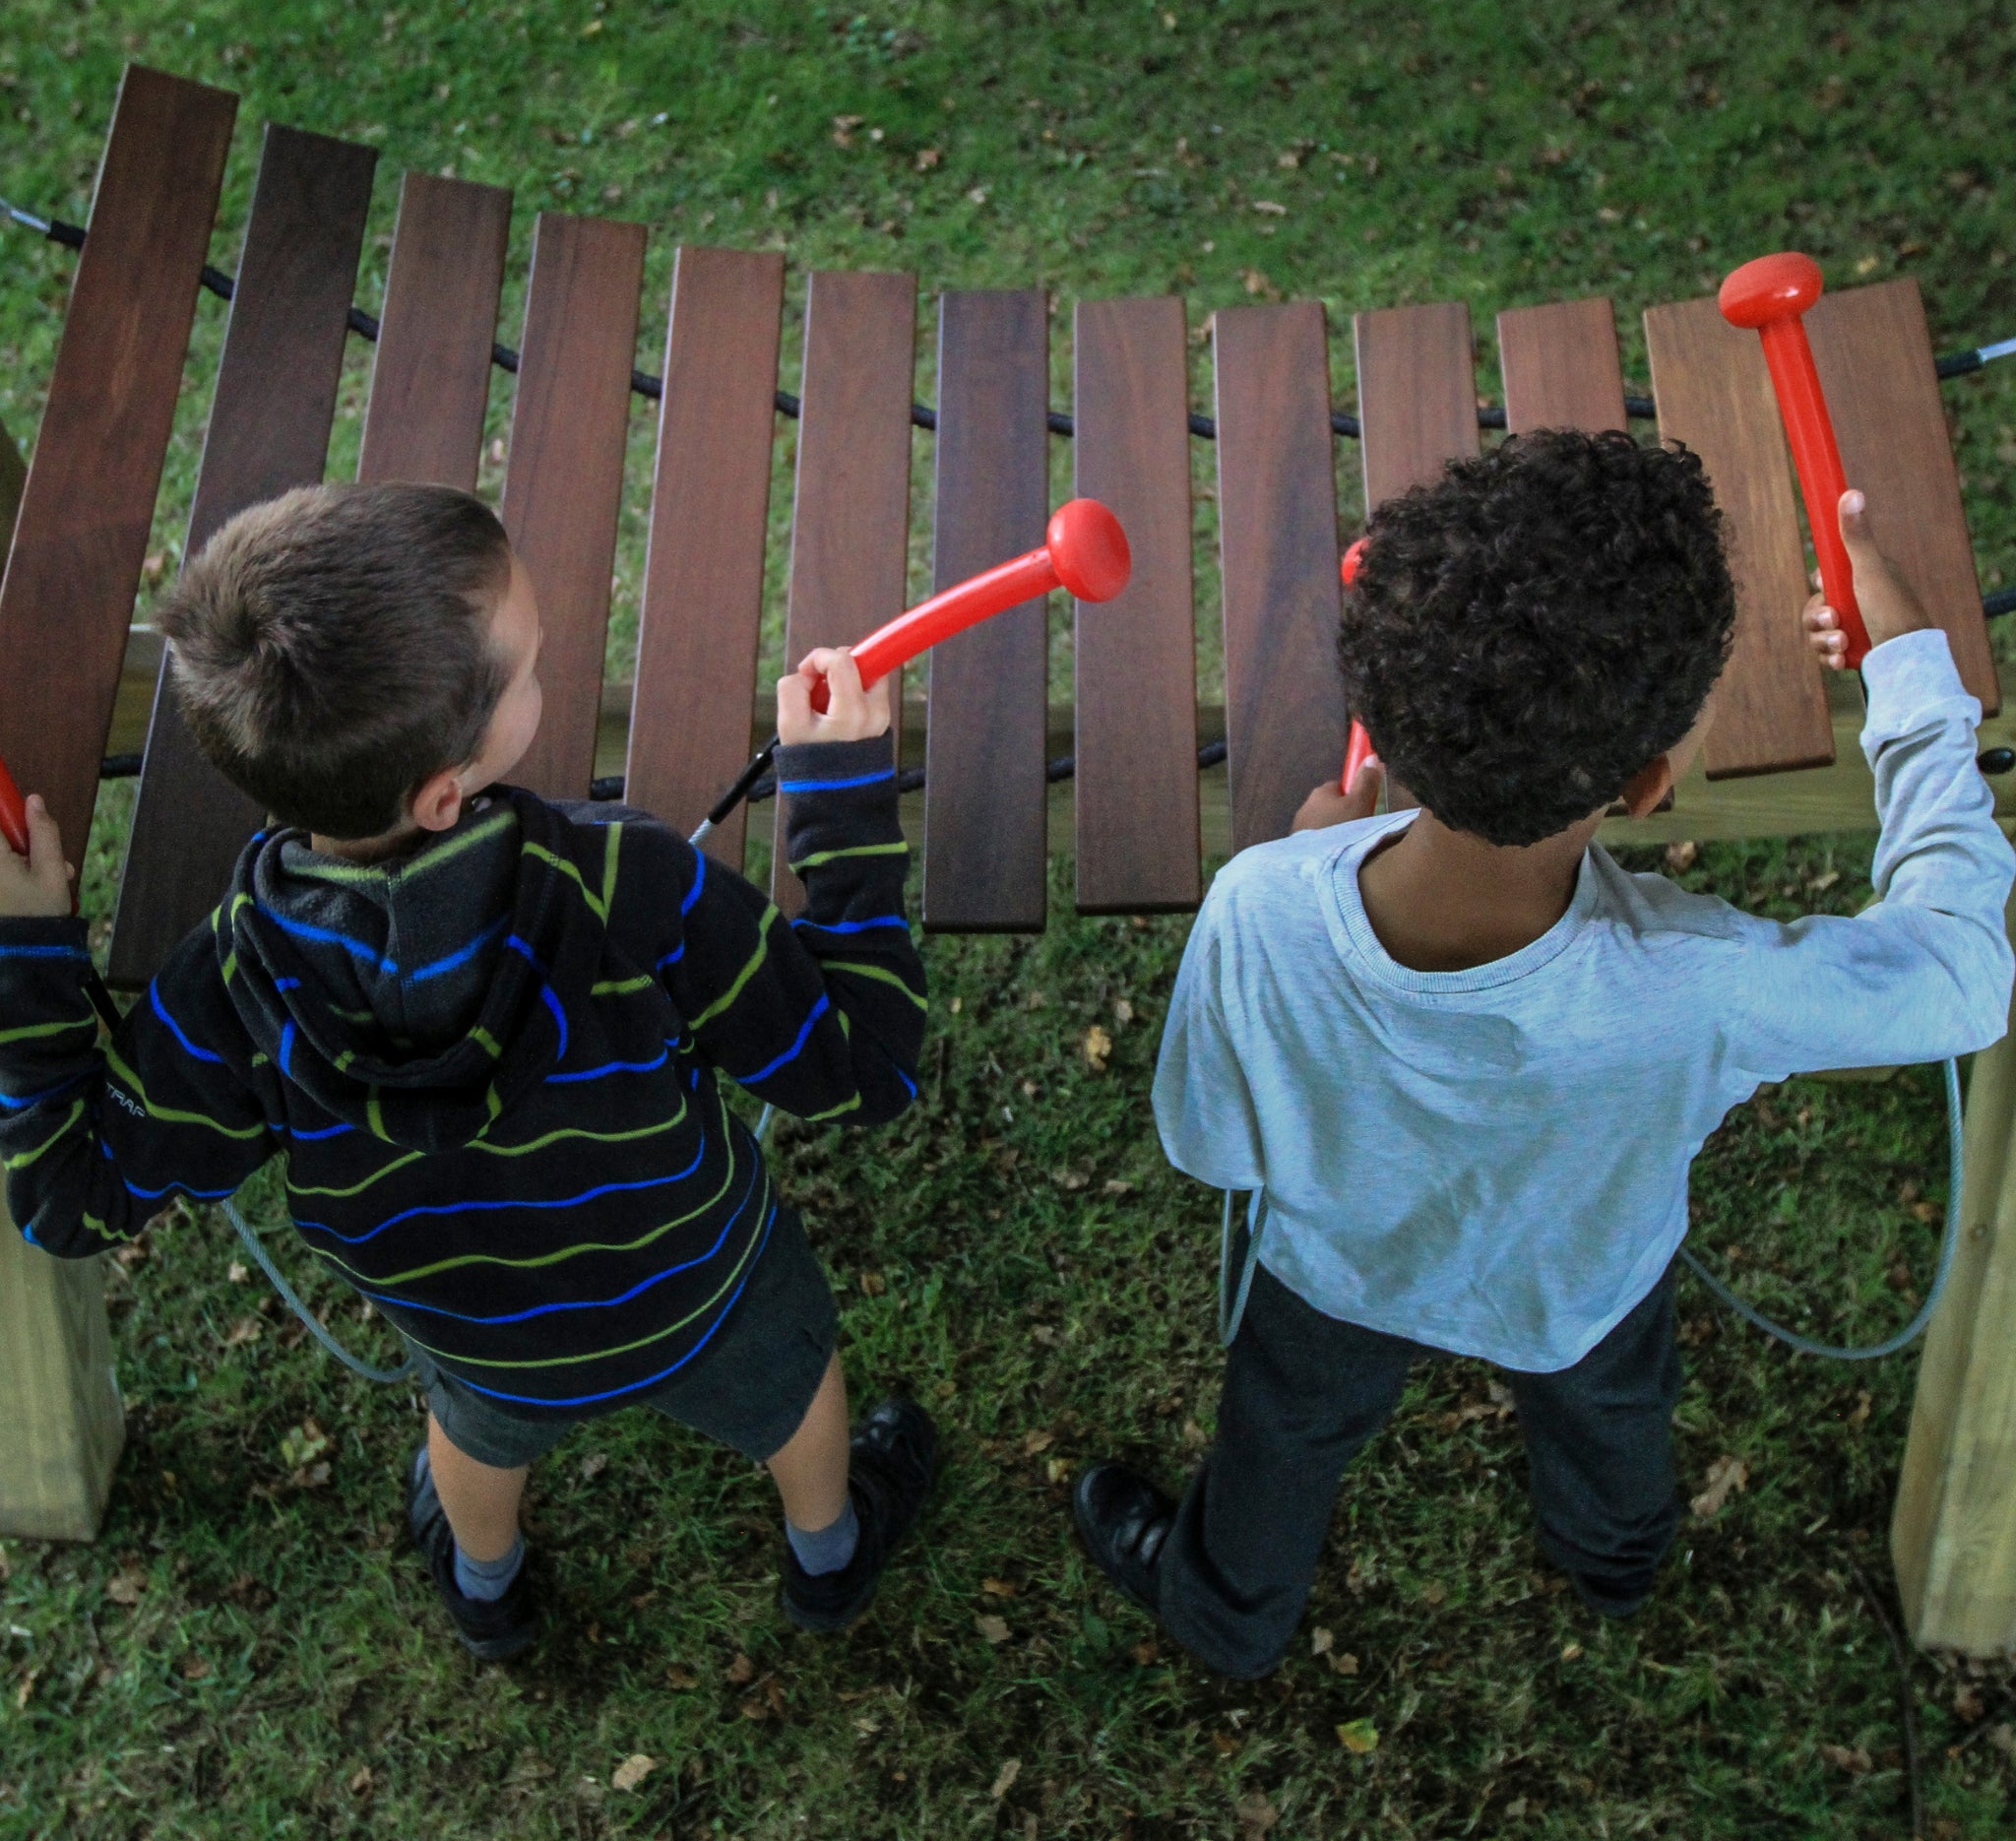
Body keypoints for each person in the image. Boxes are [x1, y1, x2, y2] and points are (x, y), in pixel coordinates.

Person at [1072, 429, 2015, 1681]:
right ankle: (1613, 1563)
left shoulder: (1256, 903)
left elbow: (1212, 1145)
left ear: (1384, 712)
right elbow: (1961, 969)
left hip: (1329, 1280)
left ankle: (1224, 1613)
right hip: (1580, 1291)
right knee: (1611, 1419)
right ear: (1647, 781)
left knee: (1277, 1437)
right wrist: (1906, 674)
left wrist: (1308, 853)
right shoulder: (1702, 982)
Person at [0, 481, 935, 1663]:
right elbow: (866, 1065)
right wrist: (839, 800)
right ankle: (829, 1551)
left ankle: (485, 1587)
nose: (549, 671)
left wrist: (26, 955)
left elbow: (67, 1194)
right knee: (793, 1392)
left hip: (480, 1337)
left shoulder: (226, 986)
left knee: (476, 1433)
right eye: (531, 669)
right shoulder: (630, 883)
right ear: (444, 792)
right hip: (706, 1287)